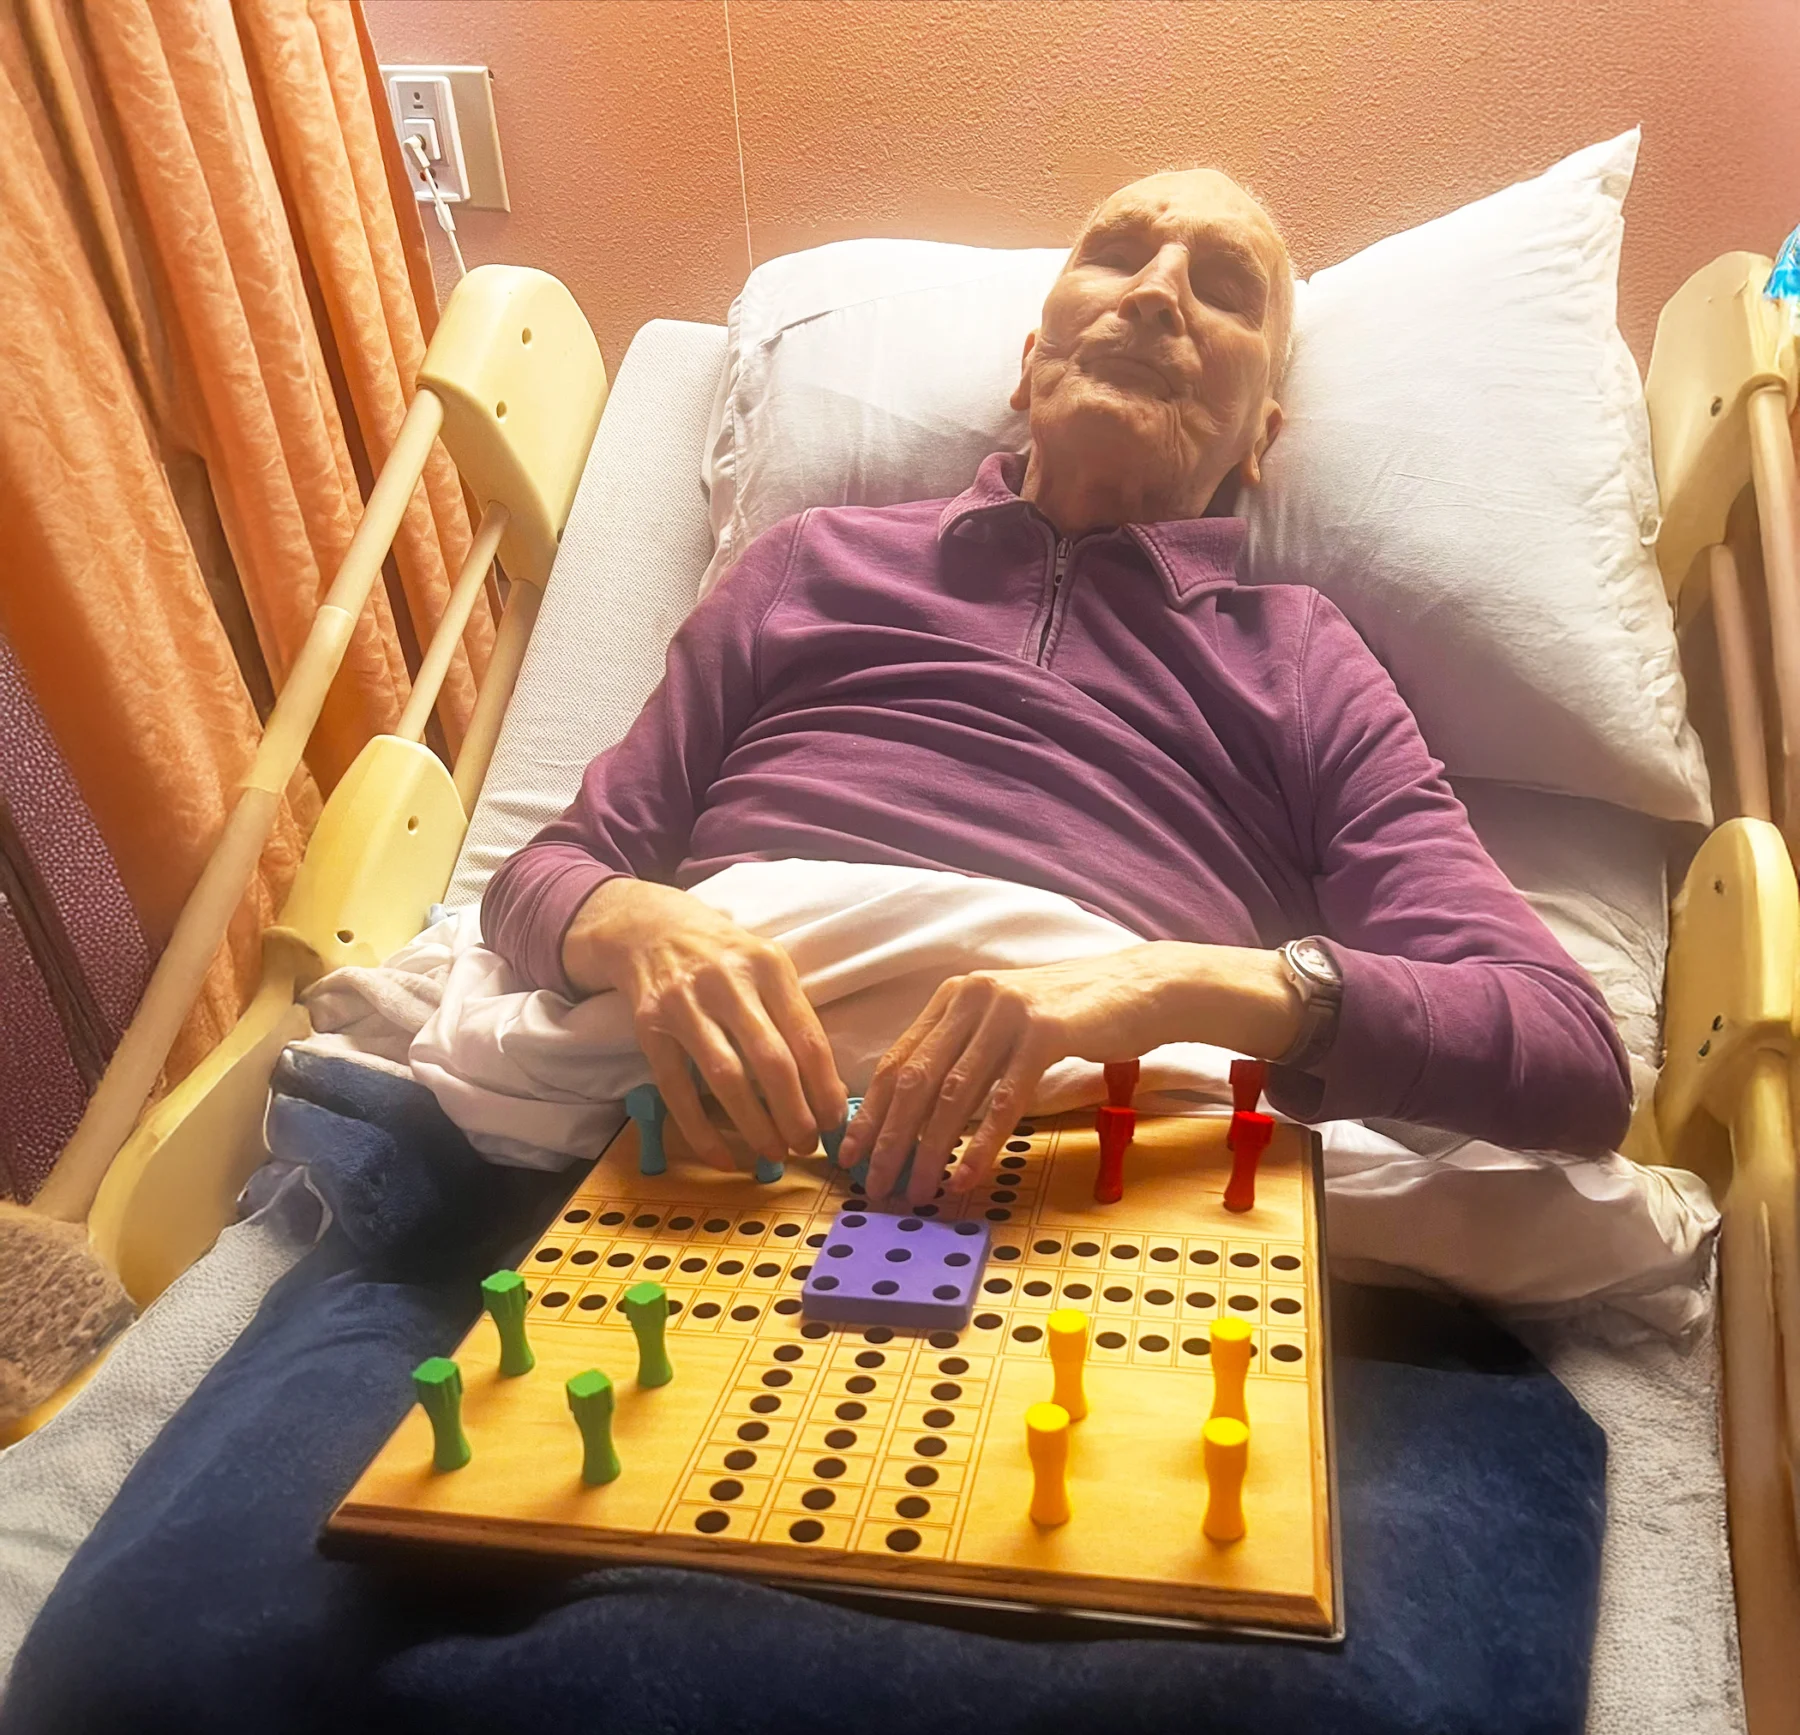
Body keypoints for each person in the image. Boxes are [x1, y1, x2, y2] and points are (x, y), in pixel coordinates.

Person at [482, 167, 1631, 1209]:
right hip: (677, 1141)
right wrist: (636, 925)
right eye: (1119, 254)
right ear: (1030, 367)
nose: (1160, 292)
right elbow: (540, 880)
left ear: (1257, 441)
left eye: (1224, 285)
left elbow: (1568, 1052)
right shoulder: (806, 560)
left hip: (1095, 1192)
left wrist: (1164, 987)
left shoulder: (1303, 657)